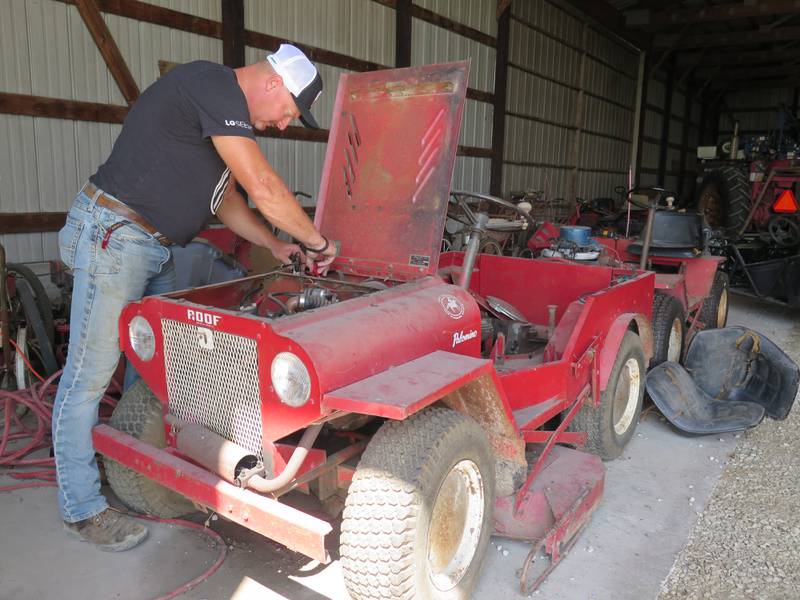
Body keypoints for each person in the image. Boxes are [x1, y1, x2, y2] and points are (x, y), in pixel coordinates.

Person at [52, 44, 336, 551]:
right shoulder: (212, 85)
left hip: (154, 245)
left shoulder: (219, 119)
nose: (284, 125)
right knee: (88, 376)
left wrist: (275, 244)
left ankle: (139, 465)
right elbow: (265, 188)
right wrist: (317, 243)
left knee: (157, 366)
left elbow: (227, 200)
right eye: (289, 112)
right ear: (274, 83)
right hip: (115, 234)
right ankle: (83, 507)